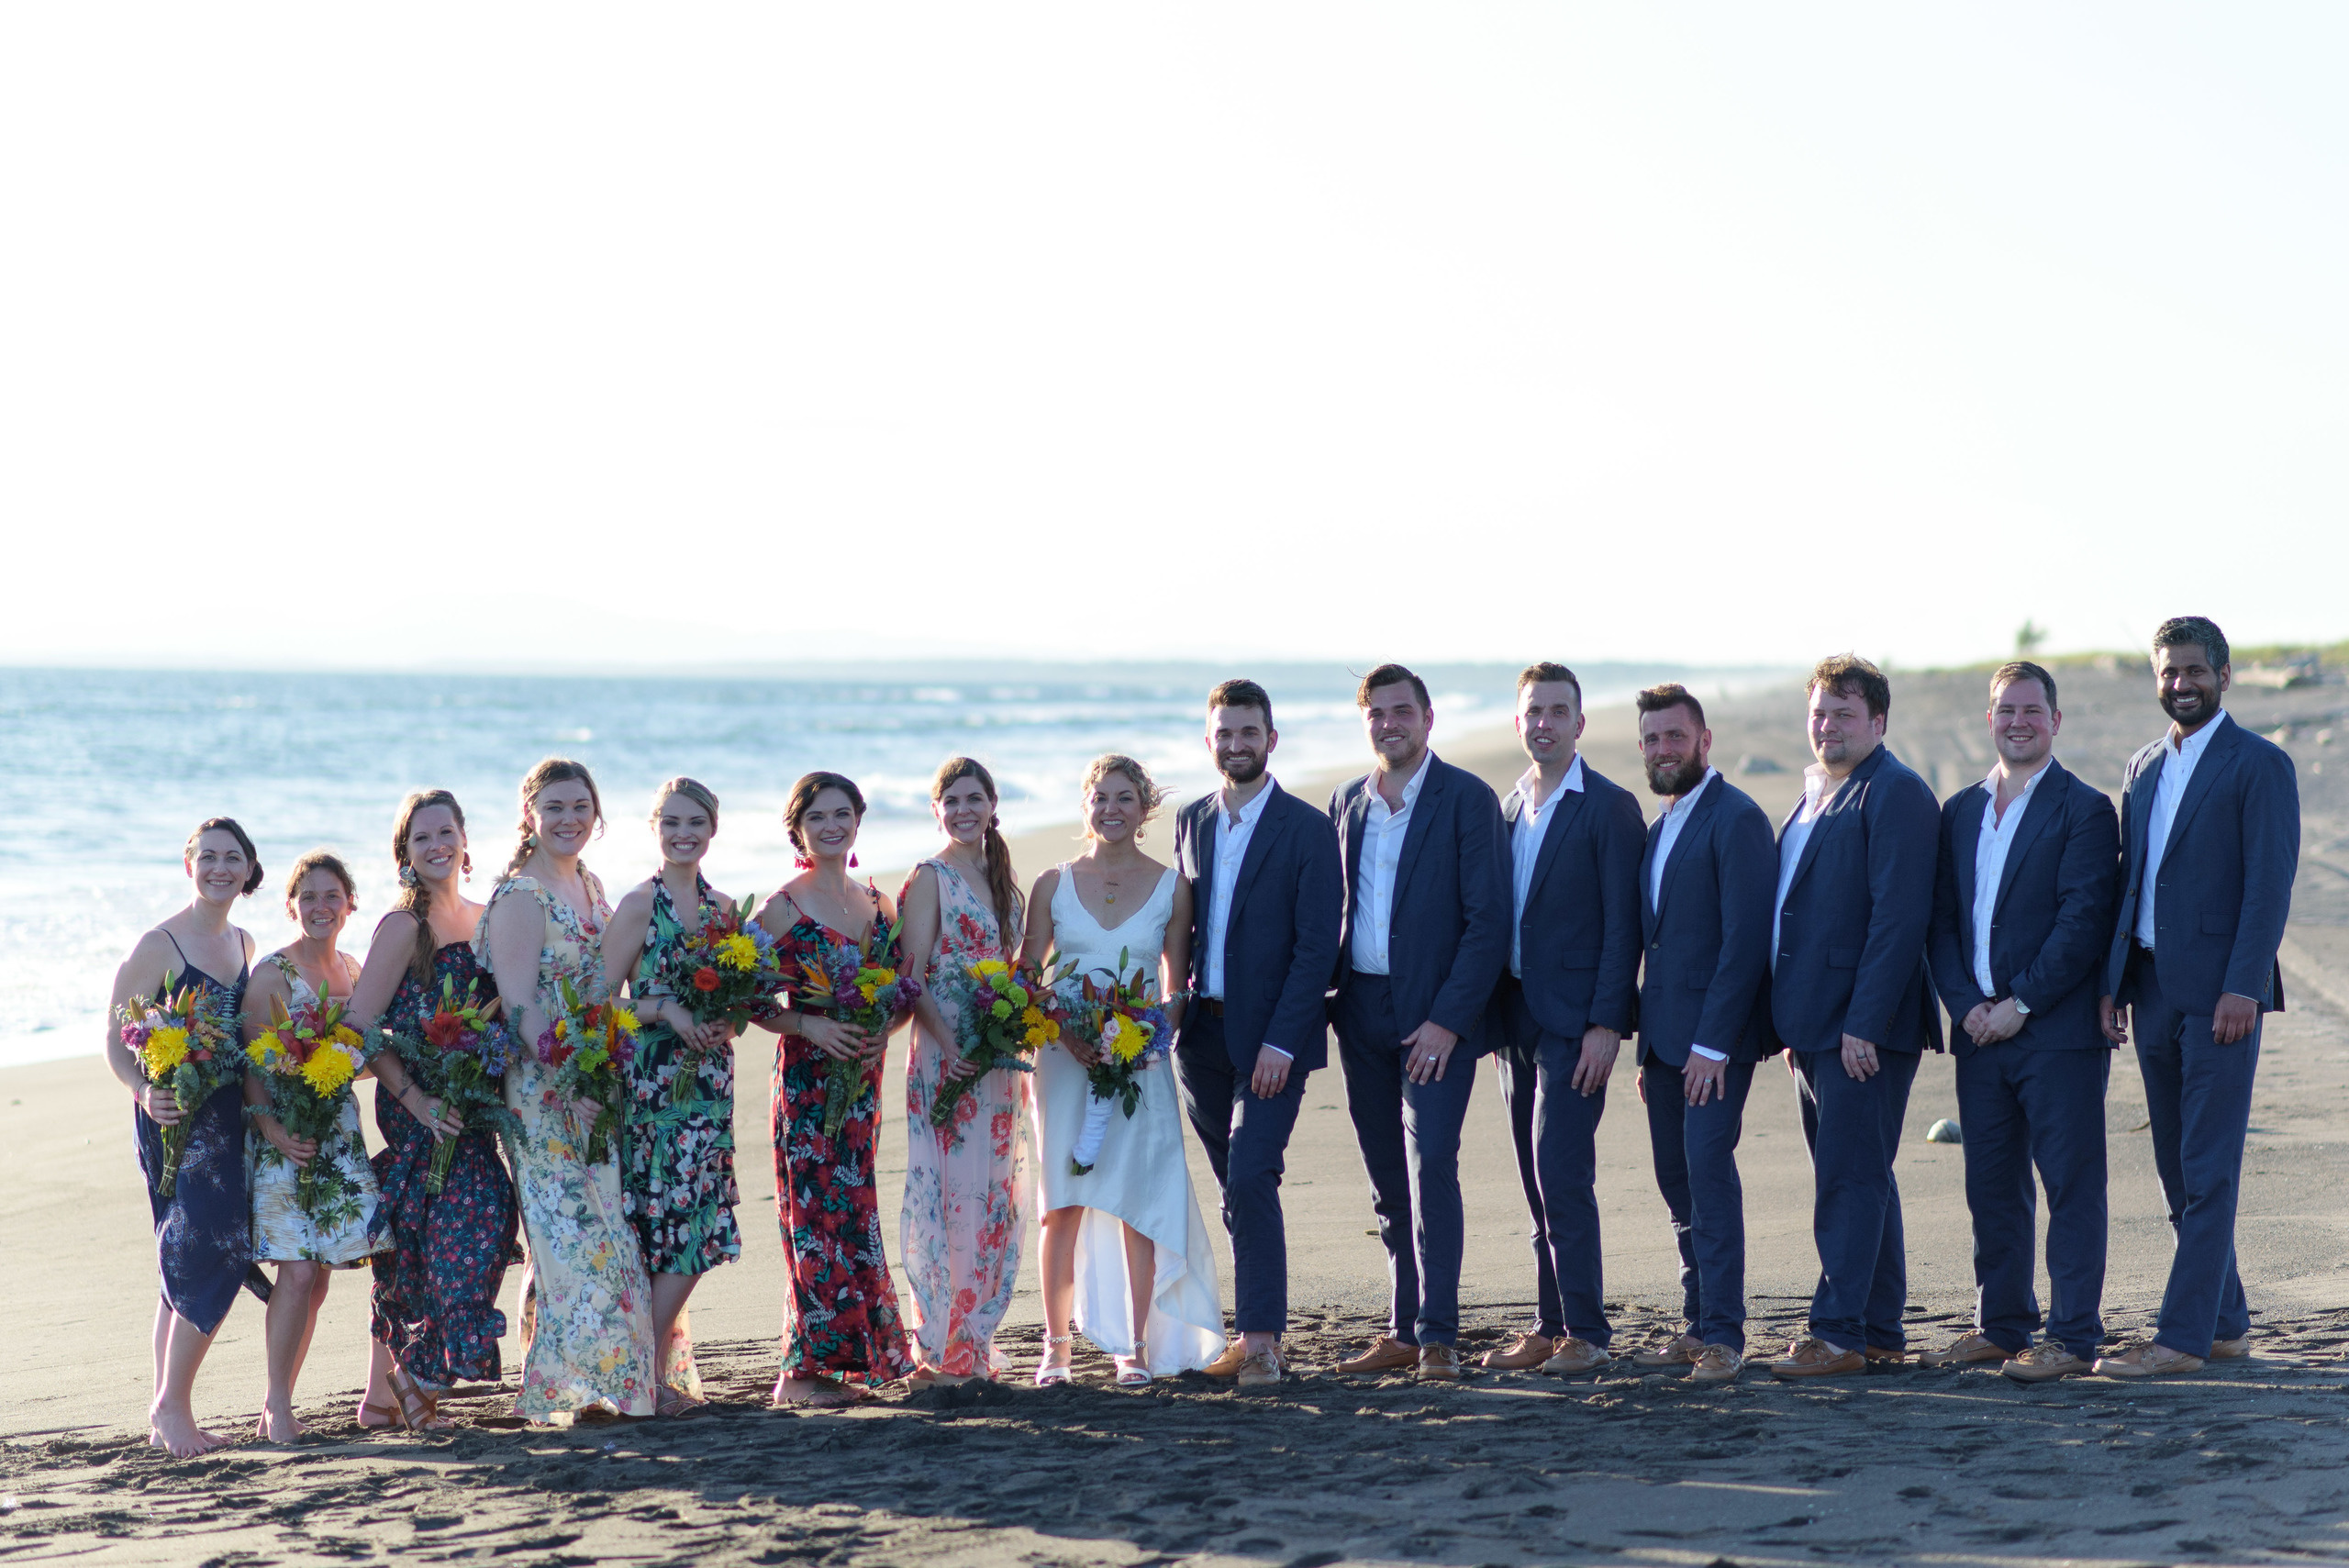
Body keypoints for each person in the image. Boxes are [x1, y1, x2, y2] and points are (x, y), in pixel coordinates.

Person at [2095, 617, 2299, 1379]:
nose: (2181, 684)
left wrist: (2245, 984)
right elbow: (2131, 882)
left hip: (2222, 996)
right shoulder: (2142, 765)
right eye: (2169, 672)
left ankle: (2179, 1340)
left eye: (2193, 670)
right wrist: (2113, 985)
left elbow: (2268, 886)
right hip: (2150, 989)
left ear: (2223, 674)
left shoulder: (2260, 764)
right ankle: (2224, 1323)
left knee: (2208, 1168)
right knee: (2176, 1169)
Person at [1921, 662, 2122, 1383]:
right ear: (1989, 719)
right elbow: (1941, 922)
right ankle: (2002, 1324)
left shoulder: (2085, 808)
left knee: (2070, 1184)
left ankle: (2071, 1335)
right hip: (1977, 1033)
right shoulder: (1960, 811)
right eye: (2005, 709)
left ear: (2055, 720)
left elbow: (2082, 921)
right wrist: (1966, 1004)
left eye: (2032, 709)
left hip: (2056, 1033)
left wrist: (2020, 1004)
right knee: (1992, 1186)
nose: (2018, 721)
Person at [1328, 663, 1510, 1382]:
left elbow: (1488, 921)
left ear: (1428, 719)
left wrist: (1447, 1021)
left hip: (1435, 1018)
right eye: (1375, 713)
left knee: (1431, 1161)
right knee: (1385, 1176)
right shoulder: (1348, 802)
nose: (1388, 724)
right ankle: (1403, 1325)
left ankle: (1438, 1333)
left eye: (1400, 711)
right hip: (1360, 1010)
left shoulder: (1467, 799)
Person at [1019, 753, 1222, 1385]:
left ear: (1145, 807)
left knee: (1138, 1203)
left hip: (1140, 1064)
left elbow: (1178, 984)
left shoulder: (1172, 887)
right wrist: (1065, 1027)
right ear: (1085, 804)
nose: (1111, 808)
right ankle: (1056, 1348)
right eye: (1099, 796)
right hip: (1062, 1059)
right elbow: (1027, 975)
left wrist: (1147, 1035)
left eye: (1124, 798)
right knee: (1064, 1201)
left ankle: (1132, 1347)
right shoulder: (1053, 882)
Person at [1767, 655, 1942, 1379]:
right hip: (1816, 1030)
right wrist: (1795, 1024)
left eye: (1844, 713)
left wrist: (1862, 1021)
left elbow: (1898, 919)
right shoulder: (1813, 796)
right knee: (1862, 1174)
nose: (1828, 725)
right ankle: (1879, 1330)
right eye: (1819, 712)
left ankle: (1836, 1334)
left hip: (1864, 1030)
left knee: (1849, 1179)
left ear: (1878, 720)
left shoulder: (1894, 792)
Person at [1171, 680, 1343, 1388]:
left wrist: (1280, 1040)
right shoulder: (1191, 819)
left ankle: (1264, 1340)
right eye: (1224, 733)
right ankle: (1250, 1332)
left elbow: (1316, 948)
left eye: (1249, 732)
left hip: (1274, 1040)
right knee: (1232, 1184)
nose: (1236, 744)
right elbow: (1180, 928)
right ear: (1208, 740)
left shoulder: (1306, 828)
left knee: (1251, 1173)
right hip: (1200, 1039)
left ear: (1272, 739)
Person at [480, 758, 661, 1421]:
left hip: (595, 1081)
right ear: (529, 813)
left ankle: (589, 1381)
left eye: (580, 806)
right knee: (569, 1235)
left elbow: (605, 992)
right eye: (554, 807)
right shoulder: (520, 897)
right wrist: (568, 1078)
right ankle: (576, 1387)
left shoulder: (590, 882)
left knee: (604, 1228)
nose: (569, 819)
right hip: (543, 1090)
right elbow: (521, 1006)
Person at [1480, 663, 1644, 1378]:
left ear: (1579, 723)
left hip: (1578, 1023)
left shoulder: (1608, 806)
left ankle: (1587, 1328)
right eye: (1532, 712)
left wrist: (1609, 1020)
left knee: (1562, 1170)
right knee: (1530, 1175)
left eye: (1557, 710)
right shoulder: (1508, 808)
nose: (1543, 722)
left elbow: (1624, 925)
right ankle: (1550, 1325)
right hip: (1512, 1017)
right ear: (1517, 723)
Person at [343, 789, 519, 1433]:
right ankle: (416, 1385)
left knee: (478, 1233)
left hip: (475, 1114)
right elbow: (358, 1028)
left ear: (465, 841)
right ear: (405, 853)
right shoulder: (402, 927)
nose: (437, 844)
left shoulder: (486, 917)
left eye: (447, 832)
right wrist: (417, 1099)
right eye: (422, 837)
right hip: (420, 1118)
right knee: (444, 1248)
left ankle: (405, 1387)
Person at [1625, 684, 1777, 1385]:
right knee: (1675, 1182)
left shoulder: (1735, 817)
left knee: (1709, 1178)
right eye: (1652, 739)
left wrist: (1713, 1044)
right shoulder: (1660, 829)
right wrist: (1646, 1046)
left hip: (1712, 1047)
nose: (1663, 749)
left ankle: (1724, 1333)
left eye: (1675, 737)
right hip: (1661, 1046)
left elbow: (1745, 942)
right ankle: (1694, 1321)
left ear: (1704, 740)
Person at [104, 818, 267, 1457]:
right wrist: (144, 1090)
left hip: (229, 1118)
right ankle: (170, 1404)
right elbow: (118, 1041)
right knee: (212, 1248)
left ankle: (170, 1407)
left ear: (251, 868)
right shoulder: (160, 943)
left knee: (186, 1256)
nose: (219, 867)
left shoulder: (246, 940)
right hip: (174, 1118)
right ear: (188, 863)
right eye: (208, 856)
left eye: (233, 857)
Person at [753, 772, 917, 1406]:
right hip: (807, 1080)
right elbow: (751, 999)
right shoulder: (781, 907)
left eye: (843, 813)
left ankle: (851, 1361)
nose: (832, 825)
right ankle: (802, 1372)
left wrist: (887, 1030)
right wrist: (808, 1023)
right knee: (813, 1216)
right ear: (797, 828)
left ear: (858, 820)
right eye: (818, 816)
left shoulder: (878, 904)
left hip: (862, 1082)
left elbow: (902, 991)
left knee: (855, 1211)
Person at [240, 851, 406, 1440]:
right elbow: (253, 1065)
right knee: (298, 1271)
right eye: (307, 897)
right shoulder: (271, 976)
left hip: (336, 1136)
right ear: (291, 905)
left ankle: (280, 1399)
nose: (319, 907)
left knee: (323, 1275)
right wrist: (271, 1131)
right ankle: (277, 1404)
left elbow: (358, 1061)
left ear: (350, 904)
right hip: (287, 1137)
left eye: (331, 896)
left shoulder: (356, 972)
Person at [607, 778, 743, 1416]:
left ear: (713, 829)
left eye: (695, 823)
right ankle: (644, 1374)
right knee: (670, 1231)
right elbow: (596, 1004)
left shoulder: (723, 910)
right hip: (655, 1091)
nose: (683, 833)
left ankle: (648, 1371)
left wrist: (726, 1020)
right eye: (671, 823)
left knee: (699, 1226)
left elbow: (740, 1000)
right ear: (655, 827)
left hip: (710, 1088)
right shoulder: (640, 905)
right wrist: (665, 1008)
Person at [894, 757, 1030, 1385]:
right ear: (936, 809)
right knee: (945, 1195)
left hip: (997, 1064)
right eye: (950, 800)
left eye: (973, 798)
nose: (962, 809)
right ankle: (939, 1341)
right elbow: (912, 978)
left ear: (992, 803)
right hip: (946, 1060)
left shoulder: (1001, 876)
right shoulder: (931, 877)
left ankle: (973, 1340)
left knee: (992, 1196)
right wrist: (953, 1051)